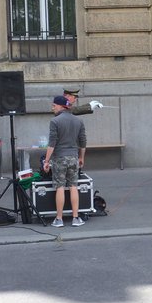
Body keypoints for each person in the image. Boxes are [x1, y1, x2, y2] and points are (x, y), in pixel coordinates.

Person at [42, 95, 87, 227]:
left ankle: (59, 219)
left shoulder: (55, 121)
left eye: (54, 105)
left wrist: (46, 161)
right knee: (73, 186)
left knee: (60, 187)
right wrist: (81, 157)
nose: (52, 108)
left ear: (61, 106)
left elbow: (52, 144)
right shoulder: (79, 121)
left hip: (60, 158)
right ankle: (76, 218)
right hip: (73, 157)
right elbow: (83, 142)